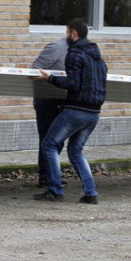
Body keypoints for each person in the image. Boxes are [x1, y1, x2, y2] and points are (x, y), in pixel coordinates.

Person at [33, 18, 107, 204]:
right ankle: (90, 193)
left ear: (74, 33)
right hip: (94, 113)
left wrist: (50, 78)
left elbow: (72, 84)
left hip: (76, 109)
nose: (66, 36)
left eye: (67, 33)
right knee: (75, 151)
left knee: (49, 144)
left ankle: (55, 190)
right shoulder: (98, 58)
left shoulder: (75, 53)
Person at [31, 37, 68, 187]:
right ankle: (46, 176)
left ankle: (51, 175)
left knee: (57, 139)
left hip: (62, 98)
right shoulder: (56, 48)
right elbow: (35, 69)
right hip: (47, 99)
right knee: (47, 138)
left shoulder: (79, 50)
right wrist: (42, 92)